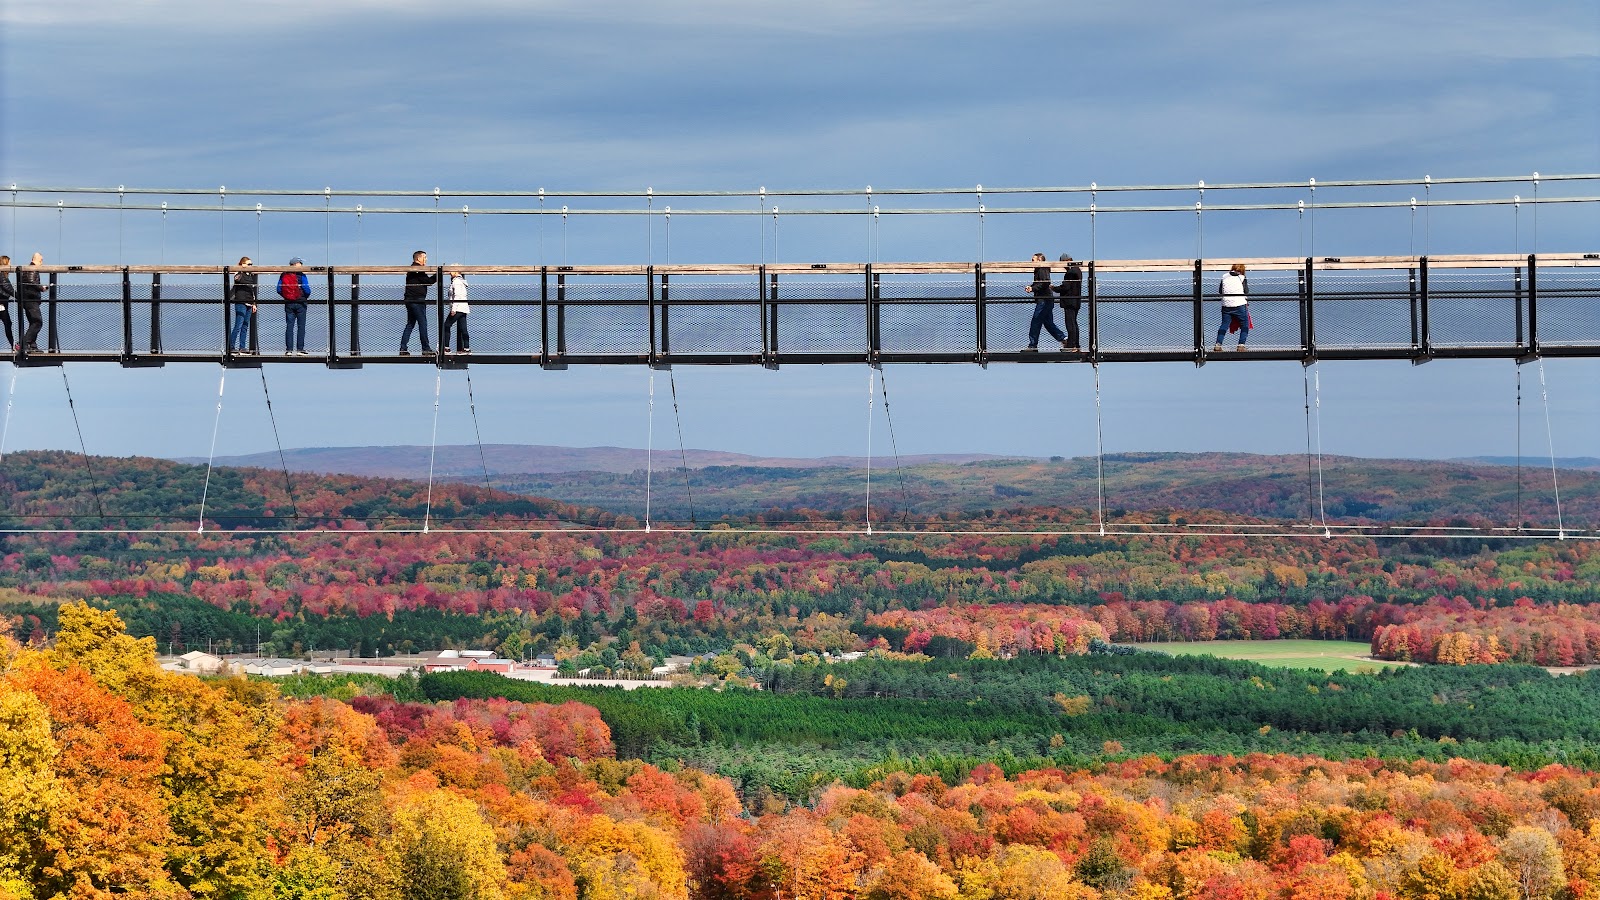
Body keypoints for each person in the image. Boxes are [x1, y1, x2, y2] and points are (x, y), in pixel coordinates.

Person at [1021, 252, 1069, 352]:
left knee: (1036, 320)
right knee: (1048, 323)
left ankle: (1032, 345)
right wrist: (1032, 287)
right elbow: (1042, 282)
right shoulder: (1041, 269)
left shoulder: (1042, 268)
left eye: (1033, 260)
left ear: (1039, 260)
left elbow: (1045, 282)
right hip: (1046, 299)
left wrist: (1032, 288)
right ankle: (1064, 339)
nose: (1031, 262)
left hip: (1044, 300)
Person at [401, 249, 436, 355]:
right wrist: (438, 274)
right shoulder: (417, 269)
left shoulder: (412, 269)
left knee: (410, 324)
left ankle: (403, 348)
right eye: (424, 257)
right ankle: (425, 348)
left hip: (410, 300)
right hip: (417, 300)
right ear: (418, 258)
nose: (426, 259)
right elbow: (428, 282)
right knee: (422, 323)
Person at [277, 257, 310, 355]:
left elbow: (279, 289)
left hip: (289, 303)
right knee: (301, 326)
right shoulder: (301, 275)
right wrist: (305, 296)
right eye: (300, 263)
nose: (302, 265)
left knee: (289, 326)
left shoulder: (283, 275)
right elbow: (306, 289)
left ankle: (289, 350)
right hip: (301, 303)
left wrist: (286, 297)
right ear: (296, 264)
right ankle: (300, 349)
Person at [1214, 262, 1250, 351]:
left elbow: (1220, 291)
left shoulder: (1224, 276)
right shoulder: (1242, 277)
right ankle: (1241, 345)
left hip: (1226, 304)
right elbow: (1246, 291)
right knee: (1245, 324)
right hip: (1239, 304)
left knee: (1224, 324)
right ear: (1242, 270)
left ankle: (1218, 344)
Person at [229, 256, 257, 354]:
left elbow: (252, 290)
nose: (251, 266)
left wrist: (254, 304)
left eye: (251, 264)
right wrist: (240, 269)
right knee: (238, 325)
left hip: (249, 302)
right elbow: (236, 278)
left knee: (245, 326)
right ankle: (231, 347)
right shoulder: (239, 274)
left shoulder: (251, 276)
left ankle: (242, 347)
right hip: (240, 302)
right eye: (249, 264)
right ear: (243, 264)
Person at [1056, 253, 1084, 351]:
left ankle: (1071, 345)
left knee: (1070, 323)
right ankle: (1076, 344)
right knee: (1074, 323)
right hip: (1076, 301)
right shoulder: (1078, 271)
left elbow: (1066, 287)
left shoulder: (1070, 272)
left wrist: (1054, 288)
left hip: (1069, 301)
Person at [19, 253, 44, 353]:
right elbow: (31, 281)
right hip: (31, 299)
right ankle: (24, 343)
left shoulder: (28, 268)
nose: (42, 263)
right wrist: (41, 288)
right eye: (42, 260)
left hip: (27, 299)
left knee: (33, 322)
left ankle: (32, 345)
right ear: (38, 260)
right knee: (38, 322)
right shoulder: (32, 268)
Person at [443, 266, 469, 354]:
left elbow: (457, 296)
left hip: (458, 307)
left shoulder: (456, 282)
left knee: (446, 325)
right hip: (463, 308)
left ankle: (446, 347)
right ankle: (466, 348)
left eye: (451, 271)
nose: (449, 273)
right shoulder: (461, 281)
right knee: (463, 328)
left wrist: (453, 309)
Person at [0, 256, 16, 352]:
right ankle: (13, 345)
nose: (10, 265)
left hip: (3, 303)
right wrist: (17, 295)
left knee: (8, 323)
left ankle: (13, 345)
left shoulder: (3, 275)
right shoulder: (1, 275)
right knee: (7, 323)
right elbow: (7, 288)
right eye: (9, 263)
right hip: (1, 303)